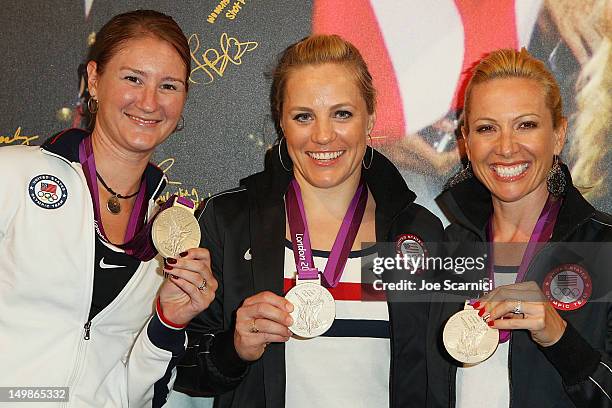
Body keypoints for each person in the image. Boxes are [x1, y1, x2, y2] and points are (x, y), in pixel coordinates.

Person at [173, 34, 443, 407]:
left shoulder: (420, 233)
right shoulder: (228, 222)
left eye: (342, 114)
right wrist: (234, 350)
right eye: (303, 116)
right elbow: (180, 369)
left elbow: (442, 378)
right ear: (281, 121)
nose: (322, 135)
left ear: (371, 117)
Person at [0, 10, 217, 407]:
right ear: (95, 80)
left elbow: (130, 392)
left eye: (168, 86)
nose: (149, 102)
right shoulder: (12, 175)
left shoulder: (172, 236)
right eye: (133, 78)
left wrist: (169, 322)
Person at [427, 48, 612, 407]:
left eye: (525, 125)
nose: (506, 147)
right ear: (465, 142)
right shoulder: (445, 249)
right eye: (486, 128)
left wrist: (558, 336)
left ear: (559, 134)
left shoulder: (605, 247)